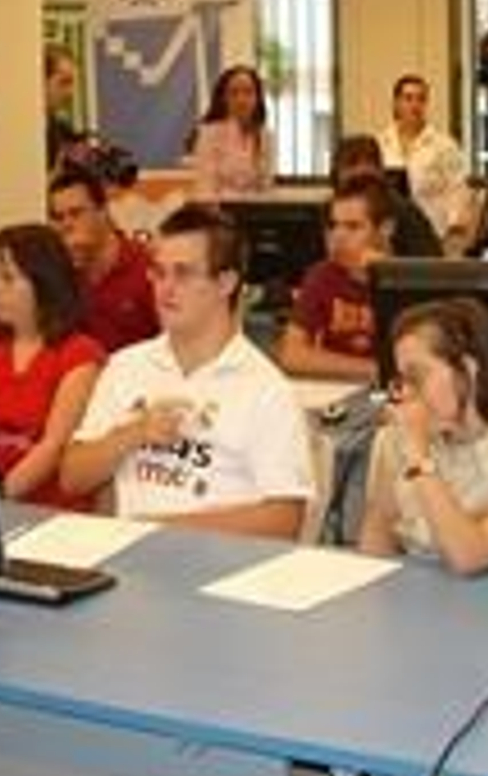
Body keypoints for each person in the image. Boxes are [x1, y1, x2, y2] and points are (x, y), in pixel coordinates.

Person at [59, 204, 313, 539]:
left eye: (183, 273)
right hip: (133, 565)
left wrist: (162, 531)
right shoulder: (126, 366)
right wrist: (133, 433)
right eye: (158, 273)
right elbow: (72, 477)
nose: (165, 289)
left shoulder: (266, 388)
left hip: (220, 566)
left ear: (226, 282)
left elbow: (284, 520)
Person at [358, 298, 488, 575]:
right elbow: (377, 536)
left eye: (417, 377)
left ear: (468, 369)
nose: (406, 394)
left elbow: (470, 557)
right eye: (401, 380)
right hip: (416, 604)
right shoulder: (399, 440)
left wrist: (419, 460)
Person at [0, 224, 104, 508]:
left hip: (46, 508)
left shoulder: (80, 355)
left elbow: (53, 447)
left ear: (44, 283)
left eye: (8, 279)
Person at [278, 174, 395, 383]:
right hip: (337, 389)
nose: (338, 236)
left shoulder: (407, 279)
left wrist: (380, 275)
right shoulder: (321, 275)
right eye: (334, 225)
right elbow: (291, 355)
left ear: (386, 229)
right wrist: (373, 370)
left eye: (353, 227)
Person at [47, 165, 160, 353]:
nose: (66, 225)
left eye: (76, 213)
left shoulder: (146, 266)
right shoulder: (60, 274)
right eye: (58, 217)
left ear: (103, 211)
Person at [378, 75, 475, 254]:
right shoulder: (381, 143)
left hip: (433, 235)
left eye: (421, 99)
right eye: (408, 98)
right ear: (396, 103)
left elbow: (458, 190)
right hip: (392, 236)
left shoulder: (444, 145)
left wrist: (454, 232)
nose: (415, 105)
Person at [331, 134, 442, 257]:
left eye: (353, 226)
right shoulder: (329, 208)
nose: (361, 170)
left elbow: (431, 265)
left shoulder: (404, 211)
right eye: (352, 164)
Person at [189, 65, 274, 200]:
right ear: (224, 98)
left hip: (254, 213)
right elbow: (205, 189)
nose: (241, 100)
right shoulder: (209, 134)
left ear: (258, 98)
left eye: (248, 92)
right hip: (218, 215)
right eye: (234, 93)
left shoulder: (265, 136)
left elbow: (266, 188)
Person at [44, 43, 83, 172]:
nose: (71, 92)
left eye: (72, 84)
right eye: (64, 82)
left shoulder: (63, 129)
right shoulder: (20, 133)